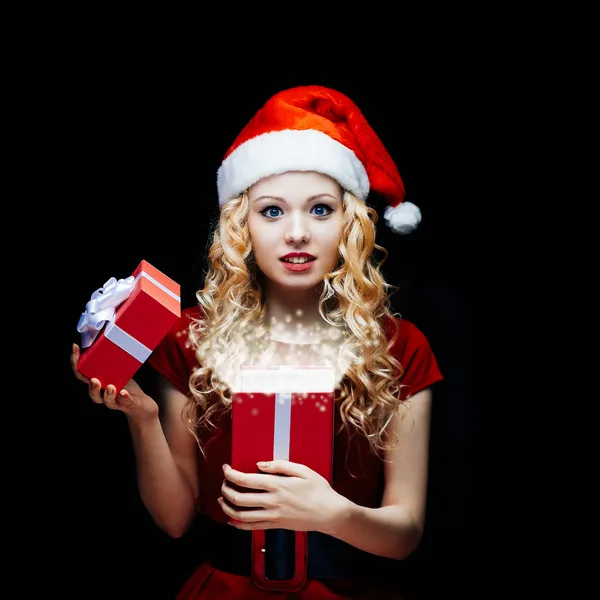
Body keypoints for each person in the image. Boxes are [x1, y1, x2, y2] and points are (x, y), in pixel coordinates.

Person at [71, 85, 443, 599]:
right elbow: (175, 521)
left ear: (350, 225)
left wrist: (333, 515)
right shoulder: (190, 337)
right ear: (240, 225)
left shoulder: (400, 347)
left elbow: (405, 535)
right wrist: (143, 418)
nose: (296, 233)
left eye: (319, 210)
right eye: (272, 211)